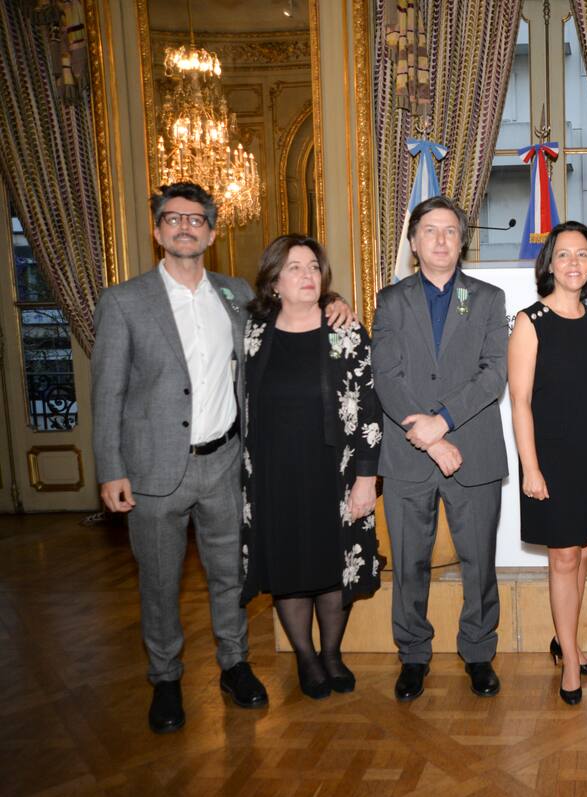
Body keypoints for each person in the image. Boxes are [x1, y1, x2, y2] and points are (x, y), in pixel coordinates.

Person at [91, 182, 352, 733]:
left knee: (230, 576)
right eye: (173, 218)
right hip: (153, 469)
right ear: (158, 230)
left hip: (226, 464)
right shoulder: (124, 301)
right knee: (159, 583)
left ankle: (234, 665)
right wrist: (111, 468)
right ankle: (166, 679)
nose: (184, 227)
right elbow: (107, 392)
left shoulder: (236, 296)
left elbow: (293, 312)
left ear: (211, 233)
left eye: (195, 219)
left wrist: (331, 300)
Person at [372, 195, 508, 701]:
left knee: (479, 562)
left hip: (473, 450)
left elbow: (494, 372)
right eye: (430, 230)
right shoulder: (390, 301)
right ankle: (413, 655)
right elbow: (386, 376)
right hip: (408, 456)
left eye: (451, 230)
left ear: (462, 240)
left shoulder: (488, 298)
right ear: (413, 241)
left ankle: (479, 652)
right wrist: (430, 439)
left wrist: (443, 423)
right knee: (409, 562)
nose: (441, 239)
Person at [238, 234, 384, 700]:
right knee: (289, 568)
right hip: (273, 477)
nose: (307, 275)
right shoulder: (251, 332)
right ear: (274, 281)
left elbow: (369, 407)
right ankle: (305, 656)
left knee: (334, 564)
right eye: (295, 268)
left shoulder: (345, 330)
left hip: (334, 475)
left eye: (314, 268)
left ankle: (332, 654)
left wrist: (366, 478)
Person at [508, 221, 587, 705]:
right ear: (550, 263)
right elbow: (520, 402)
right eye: (564, 254)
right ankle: (570, 660)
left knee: (586, 551)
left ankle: (566, 640)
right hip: (550, 456)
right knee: (564, 556)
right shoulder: (530, 321)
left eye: (582, 254)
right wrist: (531, 468)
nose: (574, 262)